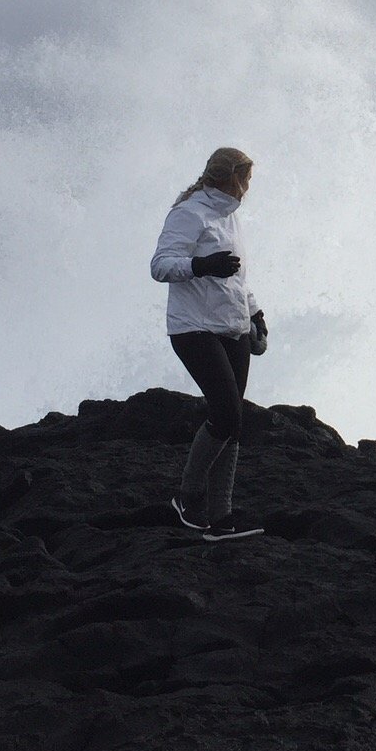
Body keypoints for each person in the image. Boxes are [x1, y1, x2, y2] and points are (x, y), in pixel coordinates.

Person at [151, 146, 269, 541]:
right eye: (245, 178)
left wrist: (255, 314)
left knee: (233, 422)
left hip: (231, 327)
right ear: (229, 177)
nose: (248, 187)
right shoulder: (190, 213)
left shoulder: (230, 217)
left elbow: (238, 277)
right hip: (193, 328)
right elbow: (160, 265)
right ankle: (187, 498)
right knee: (226, 414)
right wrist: (202, 266)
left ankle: (220, 519)